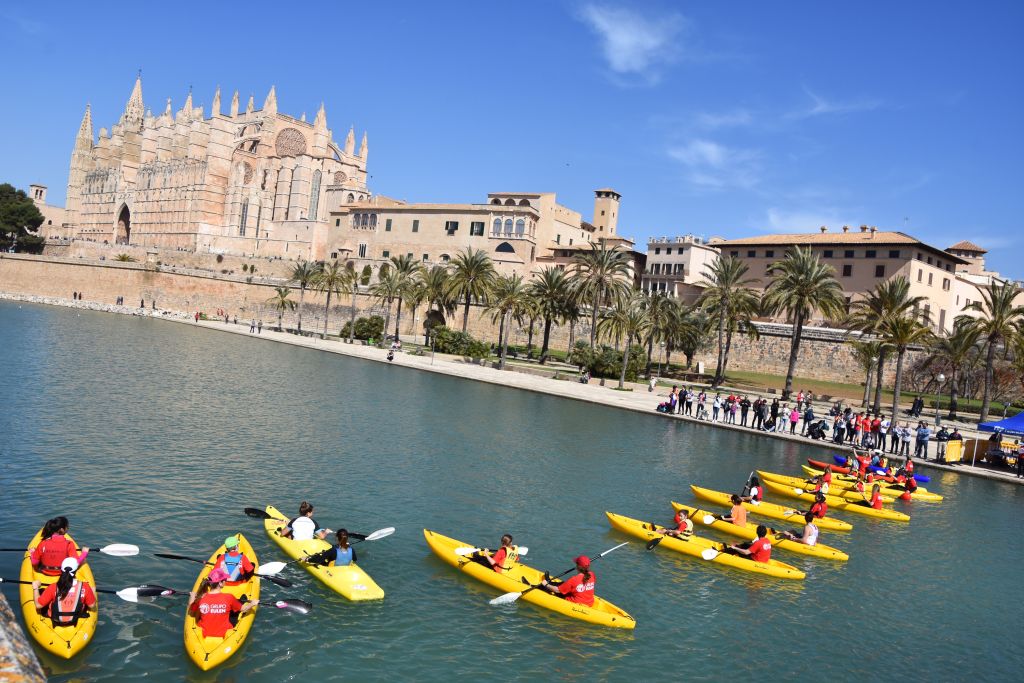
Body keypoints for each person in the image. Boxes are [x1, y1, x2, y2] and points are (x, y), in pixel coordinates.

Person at [187, 568, 258, 639]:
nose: (226, 582)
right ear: (220, 583)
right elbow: (244, 609)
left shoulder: (201, 597)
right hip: (223, 632)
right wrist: (253, 603)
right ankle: (242, 601)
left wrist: (192, 596)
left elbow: (191, 610)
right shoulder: (229, 597)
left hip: (204, 632)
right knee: (234, 612)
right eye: (225, 580)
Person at [32, 558, 96, 625]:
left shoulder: (53, 587)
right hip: (75, 619)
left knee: (41, 591)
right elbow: (92, 605)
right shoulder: (85, 587)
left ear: (61, 570)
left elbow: (38, 605)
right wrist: (93, 591)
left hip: (55, 619)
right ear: (76, 571)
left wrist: (35, 588)